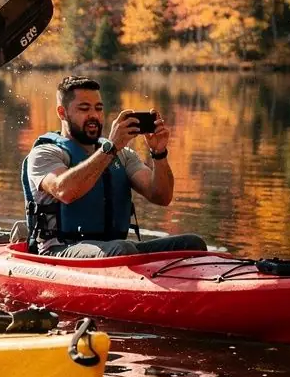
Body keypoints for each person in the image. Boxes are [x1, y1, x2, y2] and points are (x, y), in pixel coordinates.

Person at [21, 74, 207, 258]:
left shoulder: (123, 155)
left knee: (192, 244)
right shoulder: (45, 153)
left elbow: (162, 196)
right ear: (62, 113)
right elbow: (65, 192)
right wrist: (111, 148)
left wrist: (159, 153)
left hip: (115, 249)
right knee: (123, 249)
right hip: (60, 250)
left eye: (98, 108)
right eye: (84, 109)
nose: (94, 115)